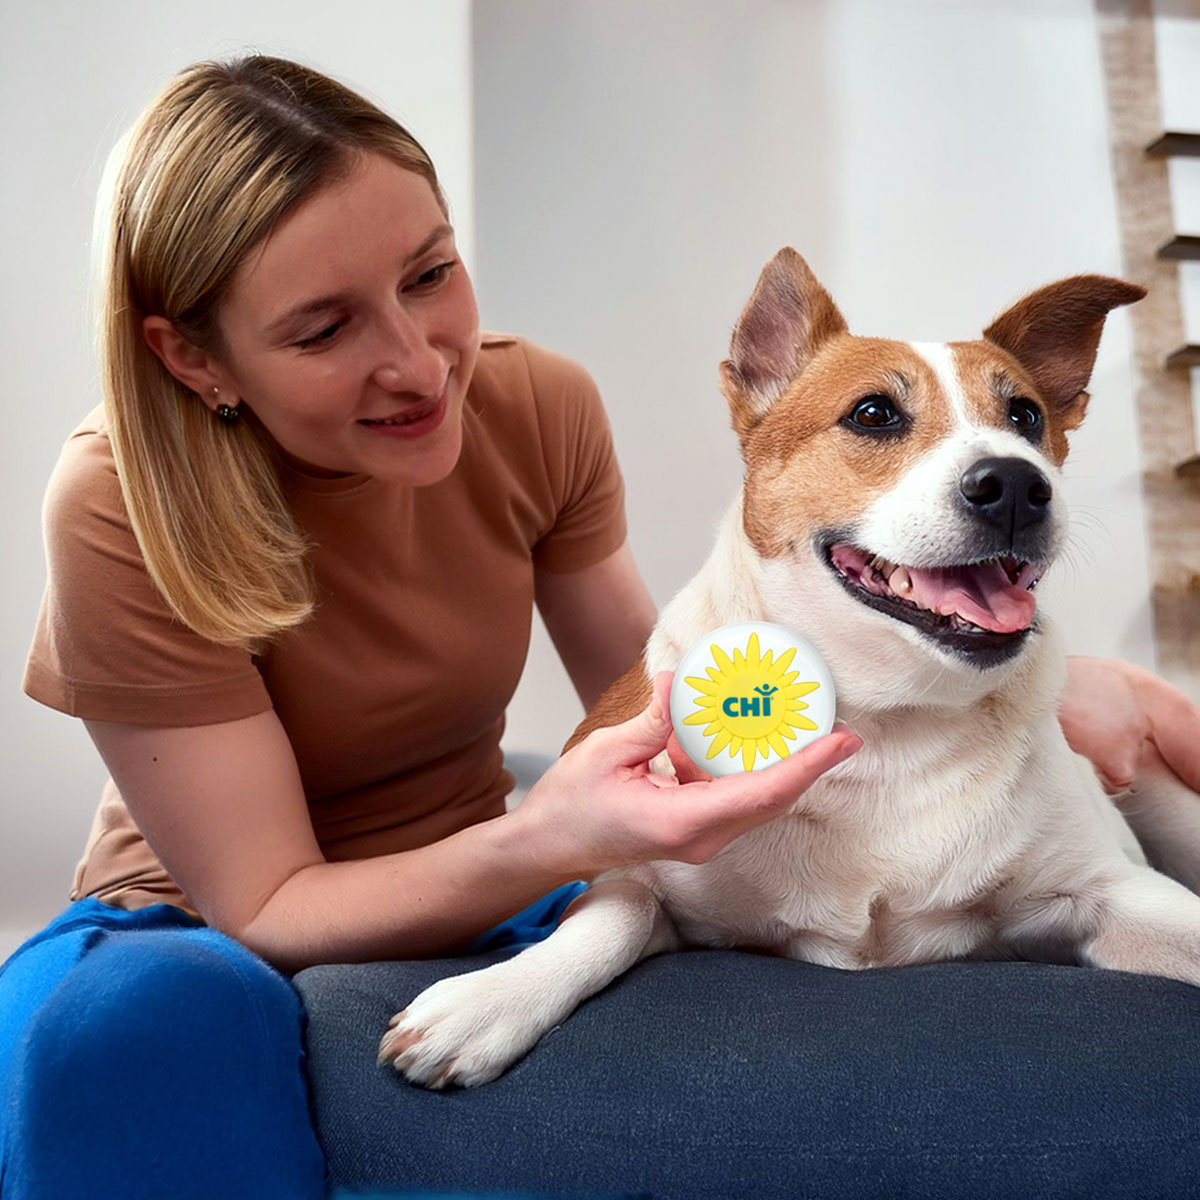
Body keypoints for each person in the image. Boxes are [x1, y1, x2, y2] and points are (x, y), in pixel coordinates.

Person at [2, 52, 1198, 1200]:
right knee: (132, 1031)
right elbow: (264, 905)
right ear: (195, 357)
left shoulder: (531, 402)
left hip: (503, 879)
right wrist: (556, 845)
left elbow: (675, 687)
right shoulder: (119, 500)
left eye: (430, 273)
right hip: (215, 914)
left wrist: (1015, 674)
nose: (421, 365)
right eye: (324, 330)